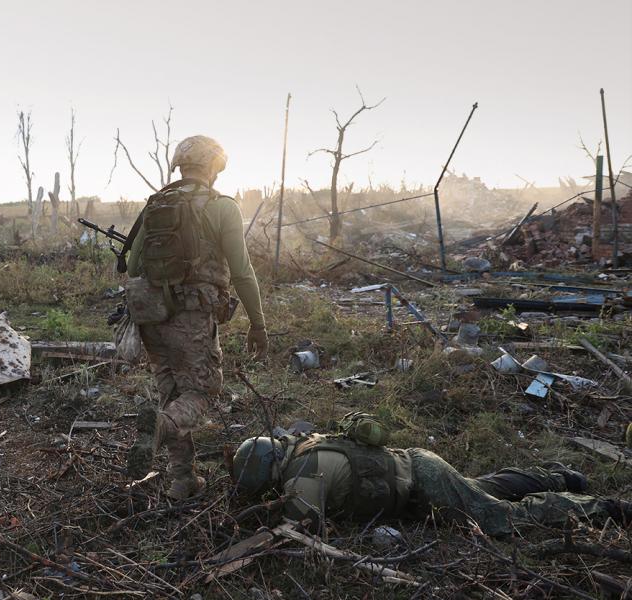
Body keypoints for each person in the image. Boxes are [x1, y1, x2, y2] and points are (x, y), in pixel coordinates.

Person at [123, 135, 267, 500]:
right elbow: (242, 271)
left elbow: (134, 265)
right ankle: (159, 428)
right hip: (191, 316)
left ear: (180, 166)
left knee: (172, 391)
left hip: (151, 317)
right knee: (202, 390)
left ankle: (182, 480)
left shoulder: (157, 204)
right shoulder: (221, 207)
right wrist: (258, 323)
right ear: (214, 167)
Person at [232, 418, 630, 536]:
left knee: (497, 518)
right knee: (483, 490)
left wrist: (262, 519)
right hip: (418, 471)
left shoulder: (301, 474)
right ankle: (561, 477)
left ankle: (607, 507)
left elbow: (303, 527)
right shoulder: (306, 444)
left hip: (421, 483)